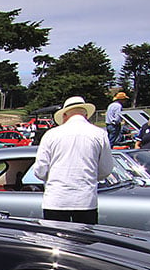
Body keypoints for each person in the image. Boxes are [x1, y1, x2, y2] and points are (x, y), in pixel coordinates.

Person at [33, 96, 114, 225]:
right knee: (84, 243)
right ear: (85, 115)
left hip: (56, 200)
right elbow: (106, 169)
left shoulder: (51, 135)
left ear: (65, 115)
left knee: (55, 242)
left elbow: (40, 170)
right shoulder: (99, 134)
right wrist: (89, 177)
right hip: (85, 200)